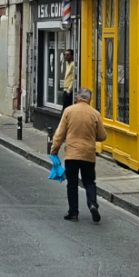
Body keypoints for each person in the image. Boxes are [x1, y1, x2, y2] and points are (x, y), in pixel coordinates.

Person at [50, 87, 107, 223]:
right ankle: (92, 204)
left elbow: (60, 133)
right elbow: (102, 136)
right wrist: (91, 136)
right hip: (88, 154)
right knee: (89, 182)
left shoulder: (68, 111)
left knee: (72, 184)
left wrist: (54, 150)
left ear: (77, 98)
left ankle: (73, 212)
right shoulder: (95, 114)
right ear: (90, 99)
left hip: (72, 155)